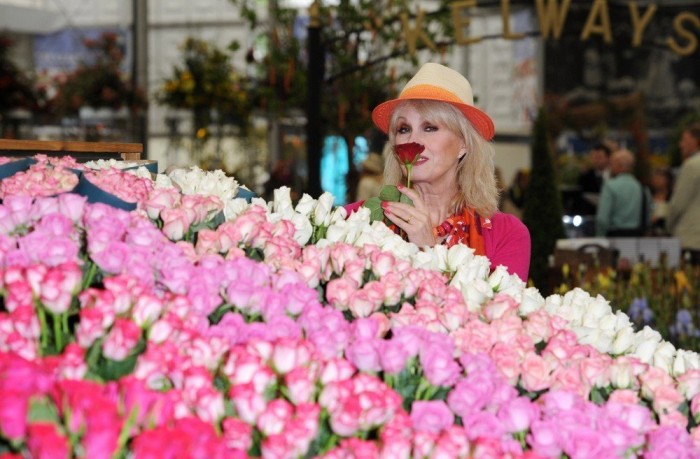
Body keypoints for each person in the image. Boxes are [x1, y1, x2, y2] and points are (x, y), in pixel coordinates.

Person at [352, 62, 531, 280]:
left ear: (464, 144)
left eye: (430, 128)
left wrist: (426, 250)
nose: (413, 140)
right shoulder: (355, 219)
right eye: (404, 129)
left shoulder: (506, 234)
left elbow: (499, 312)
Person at [595, 149, 651, 237]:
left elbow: (602, 219)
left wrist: (599, 237)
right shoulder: (643, 188)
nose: (610, 168)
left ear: (619, 166)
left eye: (611, 164)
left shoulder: (610, 186)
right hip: (637, 238)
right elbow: (647, 218)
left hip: (615, 237)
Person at [668, 123, 700, 264]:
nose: (681, 145)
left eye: (684, 140)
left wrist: (668, 227)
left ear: (695, 140)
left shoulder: (692, 165)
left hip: (692, 240)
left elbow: (678, 205)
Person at [576, 142, 611, 215]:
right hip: (591, 214)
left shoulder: (615, 175)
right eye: (594, 157)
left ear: (608, 158)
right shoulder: (585, 176)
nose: (596, 160)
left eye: (599, 157)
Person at [649, 167, 673, 236]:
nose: (656, 181)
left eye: (659, 178)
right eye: (655, 178)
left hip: (667, 231)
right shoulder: (649, 195)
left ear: (667, 180)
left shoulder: (671, 197)